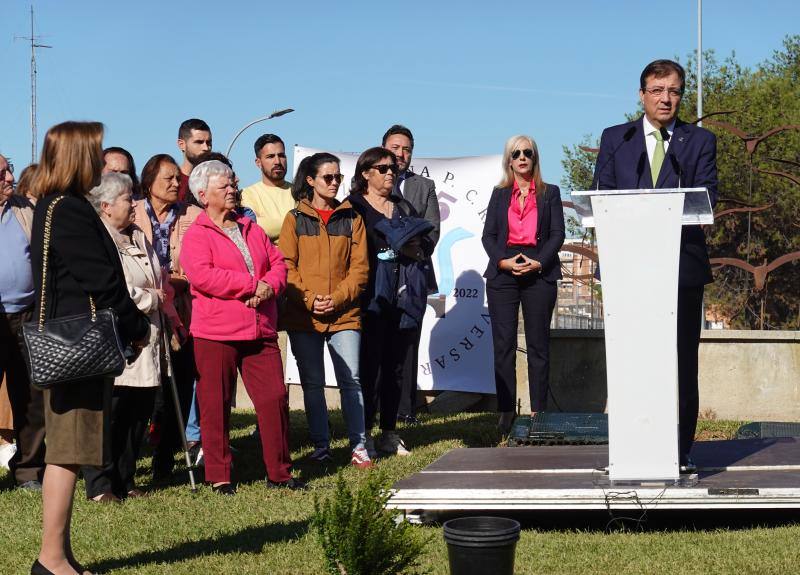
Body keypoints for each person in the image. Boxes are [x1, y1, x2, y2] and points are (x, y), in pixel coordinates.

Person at [28, 121, 149, 575]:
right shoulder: (69, 209)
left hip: (72, 343)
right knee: (68, 452)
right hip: (77, 346)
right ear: (77, 156)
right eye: (96, 153)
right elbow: (100, 278)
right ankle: (52, 559)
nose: (102, 163)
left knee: (70, 451)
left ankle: (59, 557)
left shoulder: (57, 205)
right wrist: (136, 324)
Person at [593, 59, 718, 473]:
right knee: (632, 362)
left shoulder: (699, 141)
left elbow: (707, 200)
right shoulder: (616, 138)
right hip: (628, 268)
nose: (667, 99)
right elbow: (601, 198)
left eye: (675, 91)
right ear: (642, 94)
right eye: (658, 90)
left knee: (681, 362)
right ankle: (631, 447)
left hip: (680, 269)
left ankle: (680, 452)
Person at [180, 160, 303, 494]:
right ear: (204, 195)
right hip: (216, 332)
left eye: (232, 185)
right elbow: (203, 276)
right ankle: (219, 475)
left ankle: (280, 472)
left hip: (260, 327)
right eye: (225, 187)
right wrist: (251, 285)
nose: (233, 190)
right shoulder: (197, 235)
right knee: (215, 403)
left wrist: (268, 287)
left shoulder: (251, 228)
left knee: (274, 399)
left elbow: (278, 264)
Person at [83, 173, 173, 502]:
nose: (133, 205)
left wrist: (158, 298)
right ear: (106, 206)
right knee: (111, 415)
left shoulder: (137, 236)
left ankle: (126, 478)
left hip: (147, 335)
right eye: (126, 199)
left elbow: (155, 275)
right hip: (118, 336)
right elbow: (113, 286)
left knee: (138, 413)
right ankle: (101, 485)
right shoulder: (98, 239)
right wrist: (151, 299)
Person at [279, 153, 371, 468]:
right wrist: (309, 298)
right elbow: (286, 267)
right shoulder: (294, 219)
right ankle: (322, 445)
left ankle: (359, 445)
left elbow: (360, 269)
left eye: (337, 178)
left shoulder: (352, 218)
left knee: (351, 380)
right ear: (310, 180)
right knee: (313, 383)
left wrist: (338, 298)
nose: (334, 183)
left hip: (345, 315)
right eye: (327, 177)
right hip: (304, 317)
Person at [347, 147, 435, 458]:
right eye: (382, 168)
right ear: (365, 174)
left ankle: (389, 432)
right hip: (369, 298)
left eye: (392, 169)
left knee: (397, 365)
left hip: (404, 295)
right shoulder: (353, 207)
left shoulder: (402, 206)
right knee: (370, 367)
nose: (390, 173)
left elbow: (424, 243)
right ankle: (365, 434)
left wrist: (413, 249)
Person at [482, 135, 565, 435]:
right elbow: (488, 236)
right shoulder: (499, 194)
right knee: (503, 345)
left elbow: (557, 233)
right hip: (504, 271)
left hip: (539, 271)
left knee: (538, 346)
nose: (522, 157)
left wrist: (539, 261)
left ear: (535, 157)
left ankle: (538, 411)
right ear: (508, 160)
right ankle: (505, 411)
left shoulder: (550, 193)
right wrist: (503, 262)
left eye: (527, 152)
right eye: (515, 153)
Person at [134, 154, 200, 482]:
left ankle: (166, 460)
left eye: (178, 179)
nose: (176, 184)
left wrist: (178, 277)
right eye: (168, 179)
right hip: (142, 314)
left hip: (184, 316)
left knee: (181, 387)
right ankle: (131, 458)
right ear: (149, 183)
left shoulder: (194, 216)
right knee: (145, 392)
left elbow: (198, 265)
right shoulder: (131, 213)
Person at [382, 125, 441, 425]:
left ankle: (406, 409)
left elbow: (432, 229)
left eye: (406, 149)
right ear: (383, 149)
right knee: (379, 345)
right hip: (380, 276)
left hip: (414, 275)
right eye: (395, 148)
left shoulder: (424, 185)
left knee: (408, 345)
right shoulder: (369, 184)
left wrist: (413, 251)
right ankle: (378, 410)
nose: (400, 154)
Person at [0, 155, 47, 491]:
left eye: (9, 168)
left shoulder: (26, 210)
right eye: (2, 172)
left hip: (28, 315)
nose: (10, 176)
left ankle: (28, 469)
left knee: (31, 396)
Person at [240, 133, 295, 244]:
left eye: (281, 155)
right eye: (270, 157)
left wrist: (271, 224)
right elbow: (256, 229)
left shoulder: (299, 191)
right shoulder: (248, 194)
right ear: (258, 162)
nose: (277, 162)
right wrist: (296, 222)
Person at [176, 119, 212, 205]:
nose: (206, 148)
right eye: (199, 142)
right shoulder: (173, 182)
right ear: (182, 145)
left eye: (209, 142)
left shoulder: (217, 181)